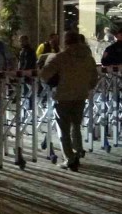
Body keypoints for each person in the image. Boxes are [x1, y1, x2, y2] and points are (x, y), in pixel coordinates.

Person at [40, 31, 98, 171]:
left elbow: (44, 74)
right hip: (81, 95)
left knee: (63, 129)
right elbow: (94, 79)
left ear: (65, 42)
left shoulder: (61, 57)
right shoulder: (89, 58)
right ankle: (78, 152)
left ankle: (69, 159)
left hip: (63, 96)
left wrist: (54, 85)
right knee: (76, 125)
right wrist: (85, 87)